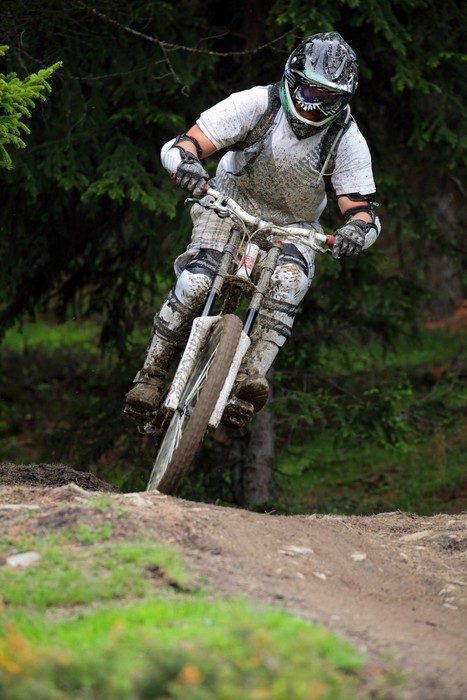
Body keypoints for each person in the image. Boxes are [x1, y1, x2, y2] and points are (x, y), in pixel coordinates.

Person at [125, 32, 380, 427]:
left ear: (343, 99)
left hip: (293, 227)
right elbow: (184, 144)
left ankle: (249, 379)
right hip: (228, 204)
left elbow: (362, 211)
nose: (315, 105)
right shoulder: (257, 104)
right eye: (310, 90)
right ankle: (151, 376)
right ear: (292, 78)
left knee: (290, 282)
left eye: (329, 97)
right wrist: (188, 167)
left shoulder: (346, 137)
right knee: (196, 281)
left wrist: (355, 233)